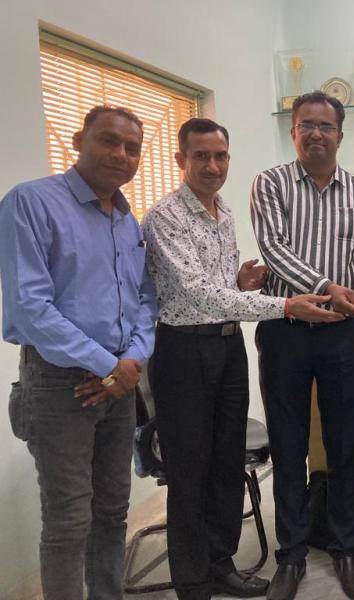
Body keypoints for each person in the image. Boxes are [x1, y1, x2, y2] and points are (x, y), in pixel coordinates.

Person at [142, 118, 338, 599]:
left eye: (220, 156)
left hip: (228, 347)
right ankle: (193, 583)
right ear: (181, 160)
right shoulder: (165, 217)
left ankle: (221, 563)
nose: (212, 166)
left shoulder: (224, 211)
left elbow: (214, 290)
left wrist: (240, 282)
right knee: (190, 471)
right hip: (183, 352)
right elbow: (195, 294)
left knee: (226, 462)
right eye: (201, 156)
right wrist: (284, 305)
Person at [0, 105, 157, 599]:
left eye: (132, 148)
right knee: (69, 520)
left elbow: (144, 301)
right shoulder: (31, 203)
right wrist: (109, 366)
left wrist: (130, 362)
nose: (122, 154)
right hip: (58, 384)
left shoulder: (128, 222)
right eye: (109, 141)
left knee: (112, 511)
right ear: (77, 141)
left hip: (119, 382)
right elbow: (30, 307)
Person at [250, 91, 354, 600]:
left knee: (345, 444)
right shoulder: (271, 183)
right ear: (293, 132)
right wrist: (328, 287)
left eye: (326, 126)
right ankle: (291, 555)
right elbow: (273, 249)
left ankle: (346, 547)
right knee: (288, 448)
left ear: (341, 135)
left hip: (343, 334)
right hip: (284, 330)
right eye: (306, 124)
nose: (316, 133)